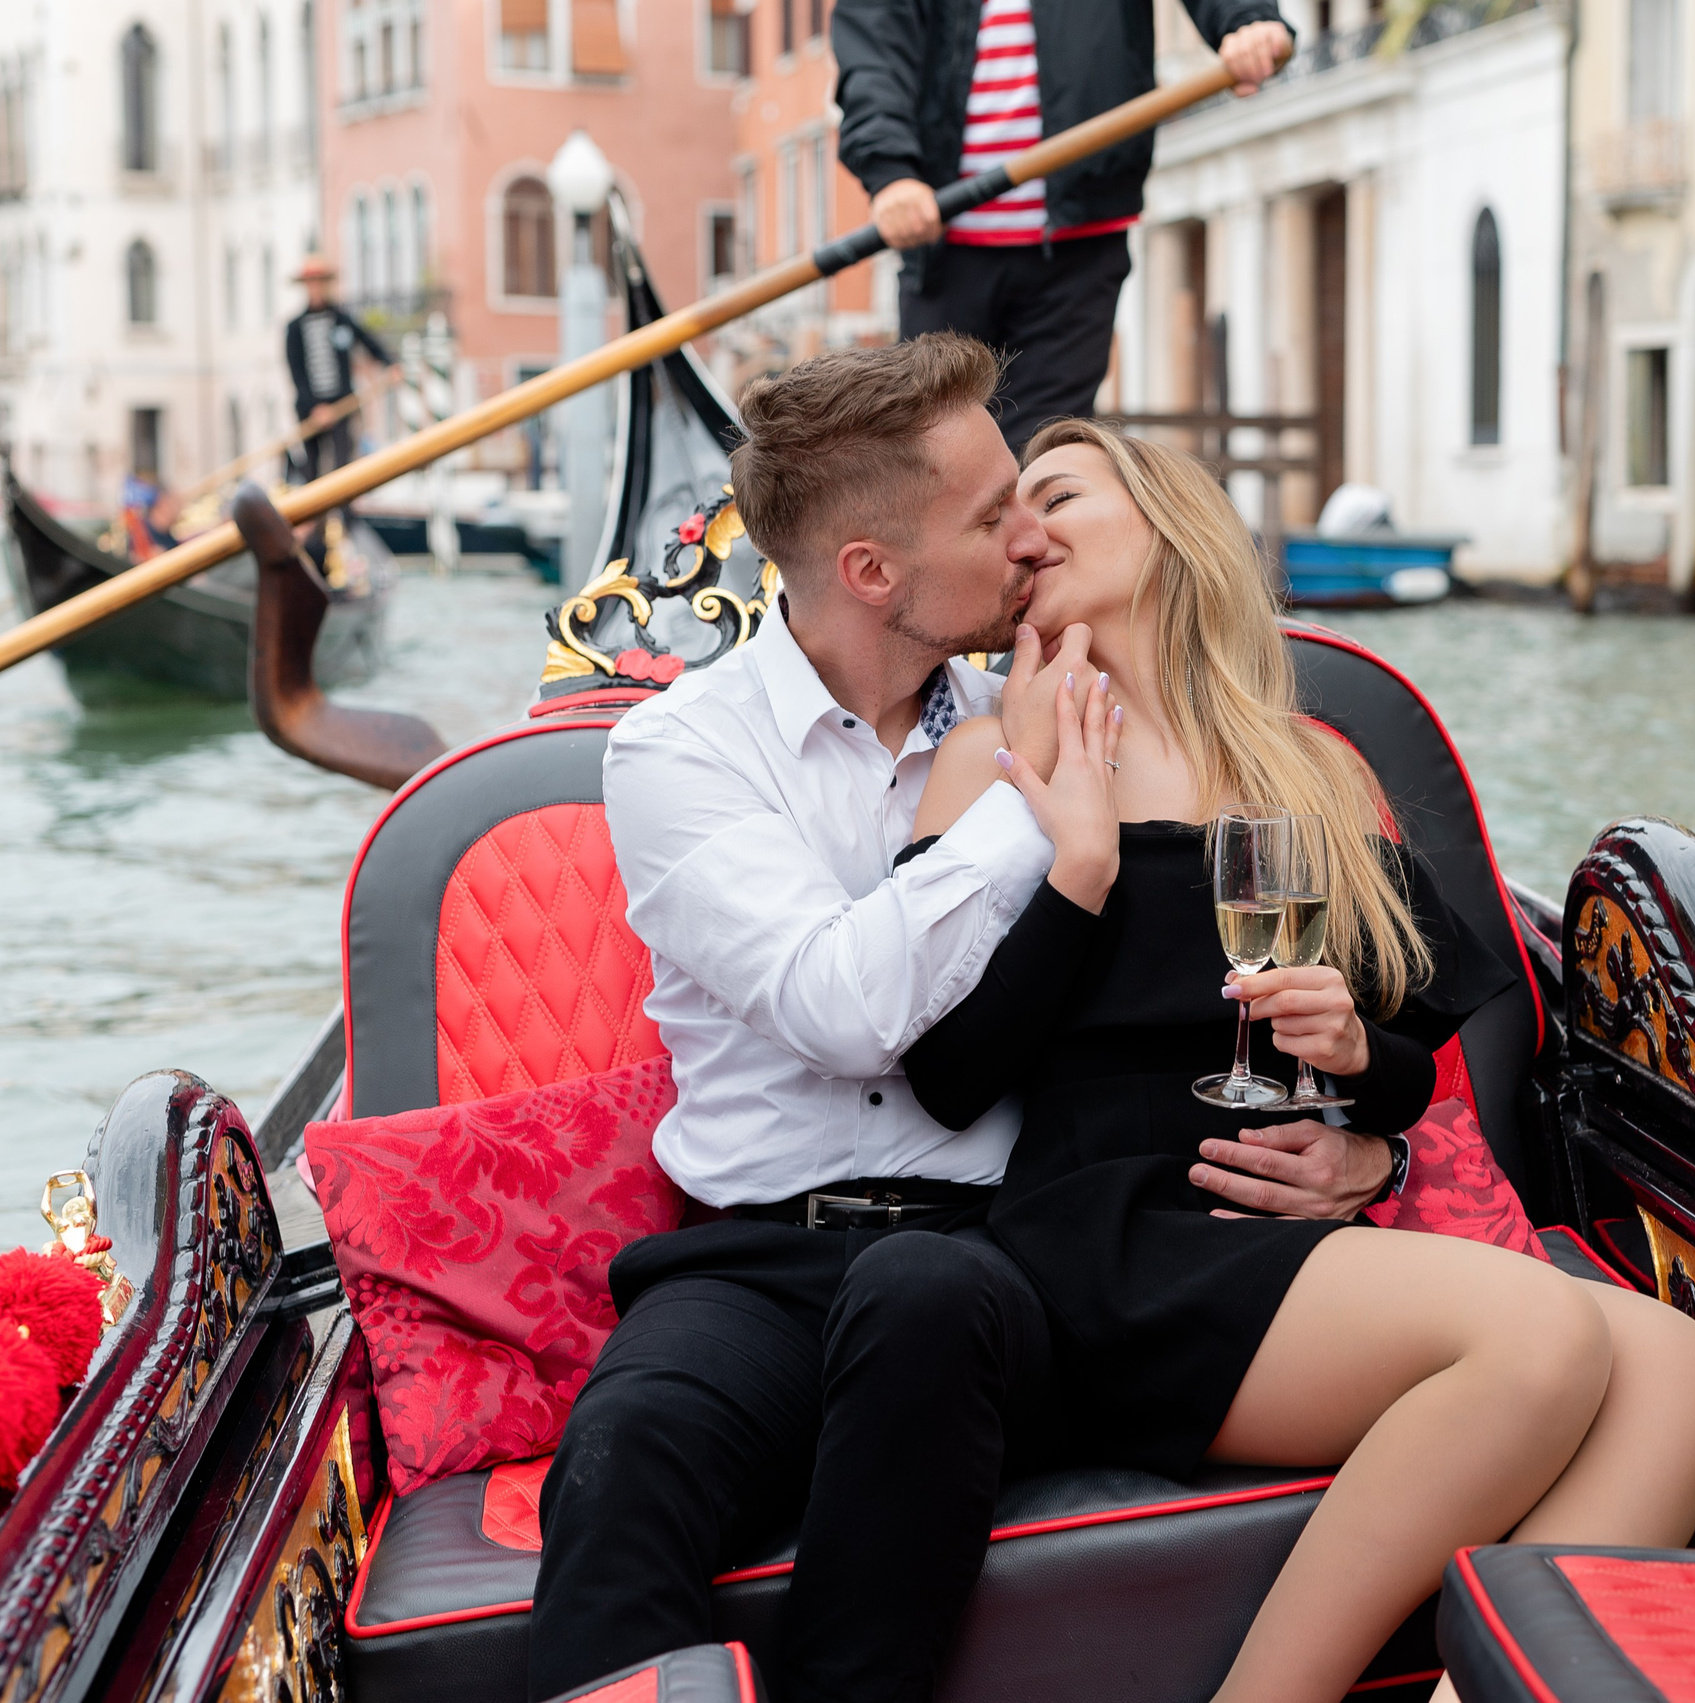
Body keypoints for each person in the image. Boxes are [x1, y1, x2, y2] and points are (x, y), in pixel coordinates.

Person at [528, 334, 1389, 1703]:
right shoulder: (682, 752)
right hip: (756, 1265)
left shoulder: (1041, 707)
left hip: (999, 1265)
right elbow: (843, 1007)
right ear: (873, 570)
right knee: (630, 1450)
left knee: (925, 1293)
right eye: (994, 515)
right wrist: (1021, 804)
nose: (1029, 534)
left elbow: (1214, 984)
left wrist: (1362, 1144)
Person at [898, 418, 1695, 1703]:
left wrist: (1364, 1108)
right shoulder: (994, 760)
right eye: (1010, 517)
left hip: (1277, 1228)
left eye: (1058, 492)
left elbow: (1405, 1054)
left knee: (1687, 1372)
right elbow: (944, 1073)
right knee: (1535, 1339)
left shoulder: (1308, 773)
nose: (1027, 529)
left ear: (1168, 521)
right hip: (1106, 1235)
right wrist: (1072, 856)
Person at [834, 0, 1293, 452]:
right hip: (943, 246)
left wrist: (1246, 18)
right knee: (930, 448)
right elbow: (875, 43)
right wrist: (890, 172)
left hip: (1081, 242)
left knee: (1044, 453)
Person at [283, 255, 395, 483]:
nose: (315, 288)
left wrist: (389, 363)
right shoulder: (294, 328)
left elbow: (367, 340)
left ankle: (346, 516)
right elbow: (296, 373)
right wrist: (315, 408)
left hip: (342, 405)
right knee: (312, 467)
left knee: (343, 465)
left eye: (319, 282)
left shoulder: (341, 319)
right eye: (311, 283)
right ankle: (315, 518)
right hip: (310, 410)